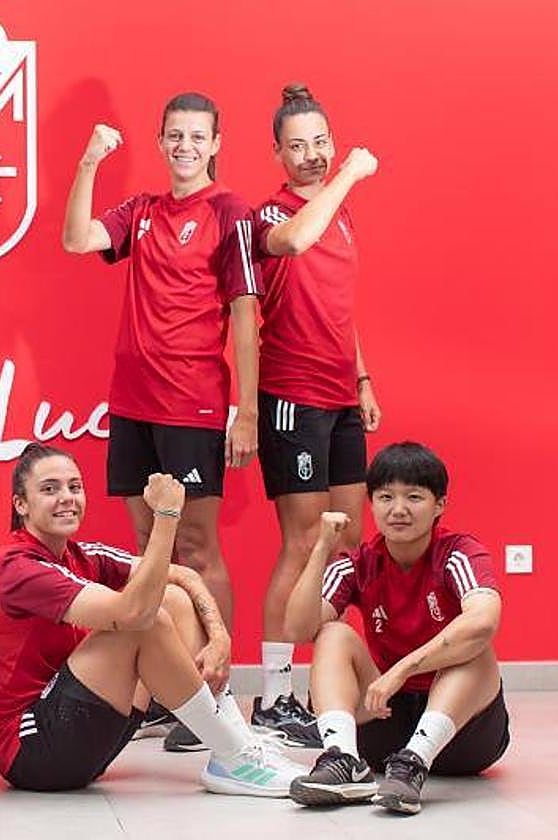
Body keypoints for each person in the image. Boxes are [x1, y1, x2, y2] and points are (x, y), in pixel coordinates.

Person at [0, 443, 305, 795]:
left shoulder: (80, 555)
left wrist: (220, 638)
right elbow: (133, 614)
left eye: (75, 486)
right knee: (145, 622)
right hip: (31, 751)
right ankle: (235, 757)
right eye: (49, 489)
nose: (67, 497)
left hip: (72, 730)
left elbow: (186, 577)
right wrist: (165, 515)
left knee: (173, 599)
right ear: (21, 505)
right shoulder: (20, 568)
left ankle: (238, 745)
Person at [61, 92, 260, 641]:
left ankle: (213, 687)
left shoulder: (230, 212)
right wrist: (89, 161)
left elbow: (246, 313)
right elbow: (77, 239)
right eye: (175, 135)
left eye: (197, 136)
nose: (185, 146)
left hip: (191, 403)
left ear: (216, 144)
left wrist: (247, 411)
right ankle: (171, 682)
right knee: (151, 548)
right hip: (132, 403)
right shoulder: (142, 210)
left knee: (194, 546)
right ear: (160, 141)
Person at [249, 83, 383, 747]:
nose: (312, 155)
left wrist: (360, 377)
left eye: (321, 143)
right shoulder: (270, 216)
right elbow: (299, 242)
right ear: (276, 153)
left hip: (338, 396)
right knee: (303, 543)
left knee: (349, 543)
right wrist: (352, 174)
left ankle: (320, 686)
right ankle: (273, 696)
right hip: (291, 398)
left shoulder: (342, 213)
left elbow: (339, 308)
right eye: (297, 146)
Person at [284, 442, 508, 814]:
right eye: (386, 497)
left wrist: (402, 670)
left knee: (475, 642)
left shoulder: (457, 552)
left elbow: (484, 620)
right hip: (385, 725)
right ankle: (343, 760)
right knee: (332, 633)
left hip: (464, 736)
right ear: (371, 503)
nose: (398, 510)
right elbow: (297, 628)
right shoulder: (358, 563)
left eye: (414, 497)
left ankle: (415, 762)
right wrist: (322, 546)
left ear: (439, 505)